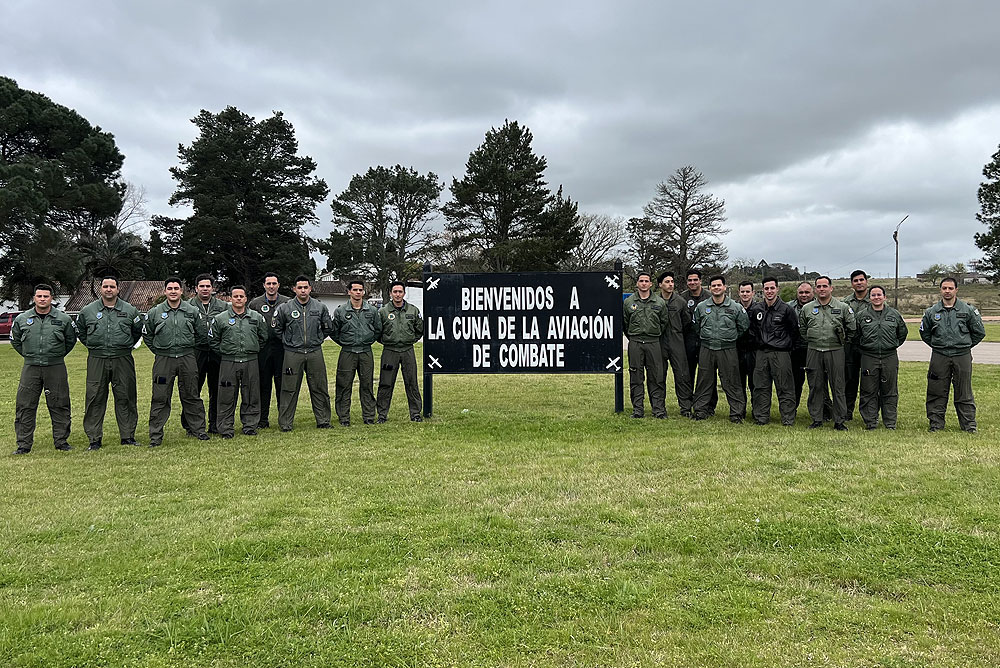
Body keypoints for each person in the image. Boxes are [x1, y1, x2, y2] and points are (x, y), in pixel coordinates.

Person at [75, 276, 144, 450]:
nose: (108, 289)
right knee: (95, 397)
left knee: (126, 396)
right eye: (105, 286)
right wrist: (94, 346)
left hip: (122, 358)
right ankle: (94, 438)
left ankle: (127, 436)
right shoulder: (88, 311)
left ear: (118, 289)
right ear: (101, 289)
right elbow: (82, 332)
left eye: (112, 286)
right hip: (97, 358)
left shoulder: (130, 310)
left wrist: (123, 345)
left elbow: (136, 332)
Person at [10, 284, 77, 455]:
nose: (42, 299)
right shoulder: (22, 319)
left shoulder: (63, 319)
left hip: (55, 366)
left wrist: (55, 355)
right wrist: (29, 355)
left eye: (46, 296)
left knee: (60, 403)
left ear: (51, 298)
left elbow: (70, 341)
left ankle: (61, 441)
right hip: (31, 367)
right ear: (34, 298)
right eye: (39, 296)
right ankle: (24, 444)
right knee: (25, 405)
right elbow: (16, 341)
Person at [143, 277, 209, 447]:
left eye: (176, 288)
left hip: (187, 357)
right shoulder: (155, 312)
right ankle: (156, 436)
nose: (173, 291)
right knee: (160, 397)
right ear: (165, 291)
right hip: (164, 359)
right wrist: (158, 351)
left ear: (182, 291)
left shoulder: (192, 311)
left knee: (191, 394)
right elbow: (147, 335)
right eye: (170, 288)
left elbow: (201, 333)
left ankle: (198, 430)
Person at [920, 276, 985, 433]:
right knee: (936, 390)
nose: (947, 291)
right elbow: (925, 333)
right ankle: (935, 424)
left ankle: (969, 425)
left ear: (956, 290)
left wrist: (964, 346)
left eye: (950, 288)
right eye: (944, 288)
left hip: (961, 356)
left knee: (964, 390)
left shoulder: (968, 310)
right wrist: (939, 346)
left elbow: (979, 332)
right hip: (939, 355)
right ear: (940, 290)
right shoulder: (931, 312)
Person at [271, 275, 333, 431]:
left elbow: (327, 327)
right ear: (294, 289)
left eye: (306, 287)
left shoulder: (320, 307)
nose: (303, 290)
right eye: (300, 287)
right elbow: (276, 328)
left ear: (310, 289)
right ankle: (285, 423)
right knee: (288, 389)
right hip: (293, 353)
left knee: (319, 386)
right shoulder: (285, 308)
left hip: (314, 352)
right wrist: (289, 340)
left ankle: (324, 420)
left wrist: (317, 338)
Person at [798, 275, 856, 430]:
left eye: (825, 286)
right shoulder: (807, 308)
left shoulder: (843, 307)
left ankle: (839, 420)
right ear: (815, 289)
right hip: (814, 349)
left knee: (837, 385)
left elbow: (851, 329)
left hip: (835, 349)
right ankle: (817, 418)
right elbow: (803, 329)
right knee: (815, 385)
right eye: (819, 286)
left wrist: (840, 342)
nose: (822, 289)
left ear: (831, 288)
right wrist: (813, 340)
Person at [209, 285, 268, 438]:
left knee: (251, 394)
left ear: (246, 298)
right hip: (229, 362)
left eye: (241, 296)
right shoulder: (220, 318)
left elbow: (263, 337)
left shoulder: (256, 317)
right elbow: (213, 340)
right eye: (235, 296)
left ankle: (250, 425)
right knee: (226, 395)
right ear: (230, 298)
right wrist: (225, 351)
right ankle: (226, 428)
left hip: (250, 361)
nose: (239, 299)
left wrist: (251, 349)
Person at [691, 275, 749, 423]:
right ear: (709, 288)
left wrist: (729, 337)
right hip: (707, 348)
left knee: (732, 381)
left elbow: (743, 326)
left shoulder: (735, 307)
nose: (716, 288)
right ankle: (700, 411)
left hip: (727, 349)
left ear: (724, 287)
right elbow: (696, 325)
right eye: (713, 286)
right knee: (704, 381)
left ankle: (736, 413)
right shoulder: (702, 307)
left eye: (719, 285)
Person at [748, 277, 799, 426]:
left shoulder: (786, 309)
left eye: (772, 288)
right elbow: (752, 331)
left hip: (781, 353)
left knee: (785, 386)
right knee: (760, 387)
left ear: (777, 289)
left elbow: (794, 332)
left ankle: (788, 419)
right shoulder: (757, 309)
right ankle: (761, 417)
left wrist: (788, 348)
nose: (769, 291)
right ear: (762, 290)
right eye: (766, 288)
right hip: (761, 353)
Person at [331, 280, 382, 426]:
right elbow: (335, 332)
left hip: (366, 351)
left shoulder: (372, 310)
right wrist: (345, 342)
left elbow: (377, 329)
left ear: (364, 292)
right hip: (348, 352)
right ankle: (344, 417)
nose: (358, 292)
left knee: (367, 385)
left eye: (360, 290)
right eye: (355, 290)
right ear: (349, 292)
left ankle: (369, 416)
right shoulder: (341, 311)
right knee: (344, 385)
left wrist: (368, 341)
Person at [856, 285, 908, 430]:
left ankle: (890, 422)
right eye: (873, 295)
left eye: (879, 295)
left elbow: (902, 333)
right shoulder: (861, 315)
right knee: (868, 390)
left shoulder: (894, 315)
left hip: (889, 356)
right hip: (869, 357)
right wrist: (865, 346)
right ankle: (870, 421)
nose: (876, 297)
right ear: (869, 298)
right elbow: (855, 335)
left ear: (885, 297)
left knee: (890, 390)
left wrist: (893, 344)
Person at [185, 273, 228, 434]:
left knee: (217, 389)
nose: (205, 289)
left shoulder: (223, 307)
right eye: (201, 286)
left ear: (213, 288)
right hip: (196, 351)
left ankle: (215, 423)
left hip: (216, 352)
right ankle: (191, 425)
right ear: (196, 288)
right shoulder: (188, 306)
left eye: (207, 286)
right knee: (192, 389)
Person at [376, 281, 424, 423]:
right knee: (386, 383)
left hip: (408, 351)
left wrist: (410, 340)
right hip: (390, 352)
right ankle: (382, 415)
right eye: (395, 292)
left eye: (400, 292)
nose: (397, 294)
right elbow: (377, 332)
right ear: (390, 293)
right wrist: (387, 341)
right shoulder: (383, 312)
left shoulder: (413, 310)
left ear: (404, 293)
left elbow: (420, 329)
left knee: (411, 382)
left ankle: (415, 413)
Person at [623, 272, 668, 418]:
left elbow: (664, 322)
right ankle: (637, 409)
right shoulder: (629, 302)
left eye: (646, 281)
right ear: (637, 283)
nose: (643, 283)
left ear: (650, 284)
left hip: (653, 342)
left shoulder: (659, 302)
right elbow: (625, 323)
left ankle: (658, 410)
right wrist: (633, 336)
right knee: (636, 376)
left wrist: (653, 333)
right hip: (635, 342)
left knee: (656, 376)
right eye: (641, 281)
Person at [248, 272, 289, 429]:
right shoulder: (255, 304)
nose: (271, 286)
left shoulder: (287, 303)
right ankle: (262, 419)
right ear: (264, 285)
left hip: (281, 348)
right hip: (263, 349)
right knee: (263, 385)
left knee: (282, 384)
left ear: (278, 285)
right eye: (268, 284)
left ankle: (284, 419)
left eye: (274, 283)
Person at [657, 271, 693, 417]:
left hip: (677, 341)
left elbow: (687, 323)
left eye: (672, 282)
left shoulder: (680, 302)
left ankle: (685, 408)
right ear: (660, 284)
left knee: (682, 375)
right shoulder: (654, 301)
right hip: (659, 341)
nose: (670, 284)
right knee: (658, 376)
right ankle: (659, 408)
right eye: (667, 282)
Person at [681, 268, 715, 414]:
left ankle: (709, 406)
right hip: (688, 341)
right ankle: (687, 406)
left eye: (695, 280)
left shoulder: (709, 296)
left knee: (707, 374)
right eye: (690, 280)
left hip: (705, 341)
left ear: (700, 281)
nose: (692, 282)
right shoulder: (682, 298)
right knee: (687, 374)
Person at [843, 269, 871, 419]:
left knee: (868, 382)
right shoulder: (845, 303)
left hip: (867, 347)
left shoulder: (874, 300)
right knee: (849, 381)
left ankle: (867, 414)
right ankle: (847, 412)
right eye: (856, 281)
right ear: (852, 284)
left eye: (861, 280)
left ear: (866, 281)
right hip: (849, 347)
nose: (859, 283)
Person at [787, 281, 814, 409]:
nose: (804, 295)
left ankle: (822, 411)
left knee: (817, 382)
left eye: (807, 292)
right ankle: (792, 409)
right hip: (795, 350)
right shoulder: (788, 307)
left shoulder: (820, 305)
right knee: (795, 382)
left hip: (814, 349)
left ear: (813, 293)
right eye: (801, 292)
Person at [736, 280, 757, 396]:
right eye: (742, 291)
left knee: (755, 383)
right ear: (739, 293)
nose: (745, 294)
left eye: (747, 291)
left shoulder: (759, 309)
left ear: (753, 293)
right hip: (738, 350)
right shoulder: (734, 309)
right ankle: (739, 411)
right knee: (738, 383)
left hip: (753, 351)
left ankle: (757, 412)